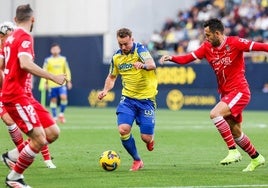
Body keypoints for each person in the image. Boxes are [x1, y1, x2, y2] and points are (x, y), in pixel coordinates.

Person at [160, 18, 265, 172]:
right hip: (225, 93)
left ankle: (233, 151)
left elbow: (260, 46)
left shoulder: (235, 43)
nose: (206, 38)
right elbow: (188, 58)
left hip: (239, 91)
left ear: (217, 33)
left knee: (215, 114)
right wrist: (172, 58)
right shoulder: (207, 47)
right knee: (236, 132)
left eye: (208, 35)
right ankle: (256, 158)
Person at [0, 4, 67, 188]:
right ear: (33, 19)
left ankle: (12, 156)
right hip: (16, 95)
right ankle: (14, 178)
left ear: (15, 19)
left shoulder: (10, 38)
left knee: (53, 132)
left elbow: (5, 65)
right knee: (39, 139)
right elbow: (25, 63)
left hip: (25, 95)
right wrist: (53, 77)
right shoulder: (24, 36)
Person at [98, 28, 158, 171]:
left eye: (126, 44)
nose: (123, 47)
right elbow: (112, 77)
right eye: (120, 44)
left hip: (146, 100)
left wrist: (142, 65)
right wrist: (105, 90)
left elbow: (152, 64)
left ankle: (150, 139)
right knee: (123, 129)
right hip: (128, 100)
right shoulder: (116, 57)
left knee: (146, 138)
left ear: (132, 39)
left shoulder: (140, 50)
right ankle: (137, 160)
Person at [0, 21, 56, 169]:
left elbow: (24, 68)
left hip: (21, 94)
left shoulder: (16, 48)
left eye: (6, 35)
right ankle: (16, 159)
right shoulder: (7, 49)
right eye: (2, 36)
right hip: (10, 94)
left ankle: (37, 157)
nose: (5, 39)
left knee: (43, 129)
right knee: (11, 121)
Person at [42, 43, 72, 123]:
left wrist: (68, 81)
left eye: (56, 49)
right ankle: (55, 117)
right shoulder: (47, 60)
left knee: (63, 97)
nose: (55, 50)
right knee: (53, 100)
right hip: (52, 84)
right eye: (53, 49)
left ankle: (61, 114)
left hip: (61, 83)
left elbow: (67, 70)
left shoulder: (63, 59)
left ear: (59, 50)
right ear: (51, 50)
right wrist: (45, 82)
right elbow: (44, 71)